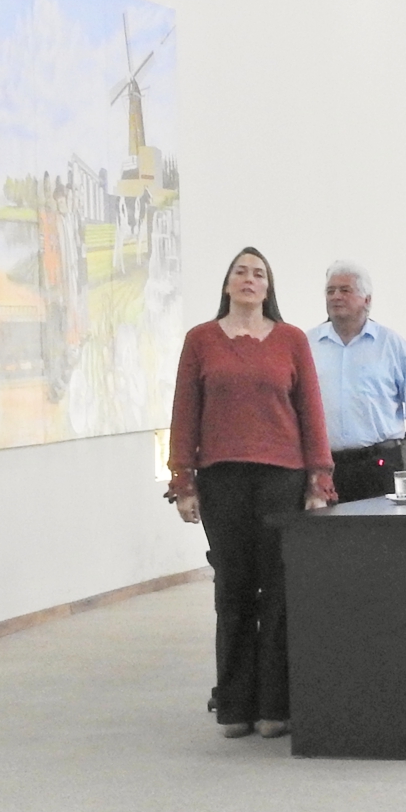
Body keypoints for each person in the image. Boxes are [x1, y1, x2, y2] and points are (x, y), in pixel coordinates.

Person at [168, 248, 334, 740]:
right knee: (233, 590)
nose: (249, 279)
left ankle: (275, 707)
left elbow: (311, 412)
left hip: (282, 479)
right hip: (222, 480)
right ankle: (235, 705)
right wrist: (183, 481)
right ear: (227, 284)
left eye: (258, 274)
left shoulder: (291, 339)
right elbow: (184, 413)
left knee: (278, 592)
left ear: (268, 287)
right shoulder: (201, 340)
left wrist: (318, 481)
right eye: (240, 272)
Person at [308, 262, 406, 504]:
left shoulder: (390, 344)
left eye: (345, 290)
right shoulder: (308, 345)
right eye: (330, 291)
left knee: (380, 529)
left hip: (380, 466)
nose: (335, 296)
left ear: (367, 299)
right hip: (326, 470)